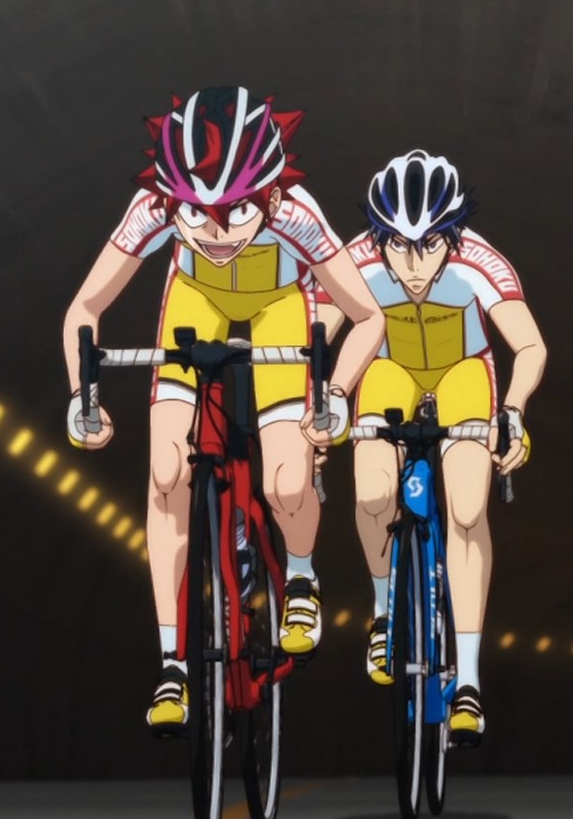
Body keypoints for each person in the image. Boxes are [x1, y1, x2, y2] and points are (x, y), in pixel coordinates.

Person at [62, 87, 386, 734]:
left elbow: (367, 316)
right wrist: (82, 396)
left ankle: (300, 577)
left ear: (269, 195)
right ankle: (172, 663)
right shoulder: (154, 207)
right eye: (194, 214)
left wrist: (335, 395)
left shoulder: (296, 212)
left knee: (286, 480)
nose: (213, 232)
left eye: (236, 213)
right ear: (171, 197)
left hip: (279, 307)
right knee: (166, 476)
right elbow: (85, 310)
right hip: (195, 304)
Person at [314, 150, 546, 738]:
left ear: (453, 236)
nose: (413, 265)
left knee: (466, 510)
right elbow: (314, 337)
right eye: (398, 245)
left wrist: (512, 412)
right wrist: (318, 405)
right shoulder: (356, 260)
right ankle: (383, 612)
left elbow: (529, 346)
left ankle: (467, 678)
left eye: (430, 245)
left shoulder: (479, 261)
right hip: (388, 369)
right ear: (379, 237)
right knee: (372, 496)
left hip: (463, 371)